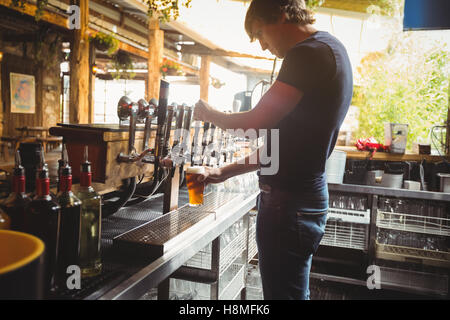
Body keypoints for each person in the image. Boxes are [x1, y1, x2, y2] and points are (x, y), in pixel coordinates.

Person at [185, 0, 353, 300]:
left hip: (288, 207)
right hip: (304, 200)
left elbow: (255, 125)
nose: (262, 46)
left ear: (281, 14)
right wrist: (223, 171)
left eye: (260, 33)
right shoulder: (331, 47)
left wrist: (210, 114)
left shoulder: (307, 54)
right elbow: (282, 146)